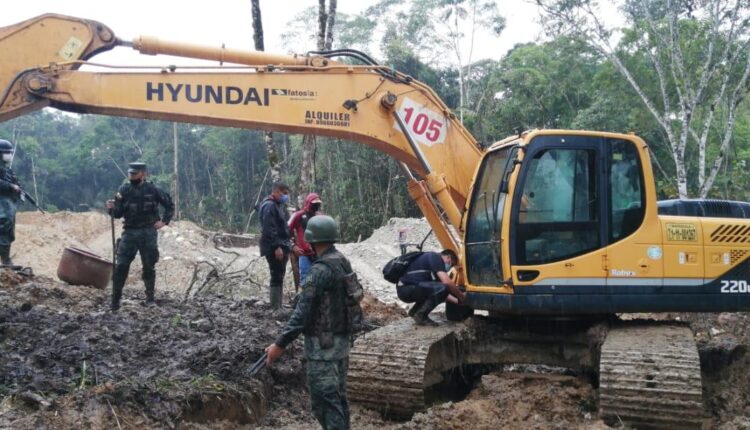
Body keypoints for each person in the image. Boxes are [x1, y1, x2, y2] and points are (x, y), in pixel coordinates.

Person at [265, 215, 352, 430]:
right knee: (338, 399)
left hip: (323, 347)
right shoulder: (341, 261)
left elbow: (301, 313)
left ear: (312, 240)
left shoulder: (319, 271)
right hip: (341, 344)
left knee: (324, 403)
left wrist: (280, 344)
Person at [106, 162, 174, 311]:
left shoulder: (153, 189)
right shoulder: (123, 190)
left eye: (135, 174)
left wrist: (164, 222)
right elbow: (117, 214)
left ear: (143, 174)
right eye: (130, 174)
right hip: (129, 232)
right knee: (121, 265)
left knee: (149, 266)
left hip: (148, 232)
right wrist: (110, 208)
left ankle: (150, 298)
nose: (132, 176)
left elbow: (169, 204)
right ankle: (115, 301)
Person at [397, 249, 465, 326]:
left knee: (437, 289)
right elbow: (447, 284)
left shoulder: (433, 266)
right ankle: (421, 315)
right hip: (407, 289)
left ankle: (415, 311)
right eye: (451, 264)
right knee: (444, 287)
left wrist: (458, 301)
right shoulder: (435, 257)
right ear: (448, 257)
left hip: (406, 289)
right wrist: (461, 296)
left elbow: (442, 293)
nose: (449, 267)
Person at [259, 182, 291, 309]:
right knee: (276, 275)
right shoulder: (269, 206)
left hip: (281, 245)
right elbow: (269, 229)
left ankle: (279, 305)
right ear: (277, 191)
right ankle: (275, 308)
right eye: (284, 194)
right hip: (274, 247)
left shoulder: (277, 205)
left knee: (280, 274)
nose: (286, 197)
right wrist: (277, 247)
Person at [288, 192, 322, 284]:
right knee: (306, 279)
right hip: (304, 254)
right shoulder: (298, 215)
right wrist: (293, 246)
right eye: (314, 204)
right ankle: (305, 297)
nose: (316, 206)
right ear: (309, 203)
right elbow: (286, 230)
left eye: (318, 204)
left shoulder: (319, 217)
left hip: (319, 254)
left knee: (320, 278)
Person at [0, 139, 20, 266]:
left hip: (7, 205)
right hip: (2, 205)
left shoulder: (7, 170)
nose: (9, 155)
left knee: (7, 231)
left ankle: (6, 259)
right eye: (6, 152)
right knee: (3, 226)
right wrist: (10, 187)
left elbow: (17, 183)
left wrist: (18, 188)